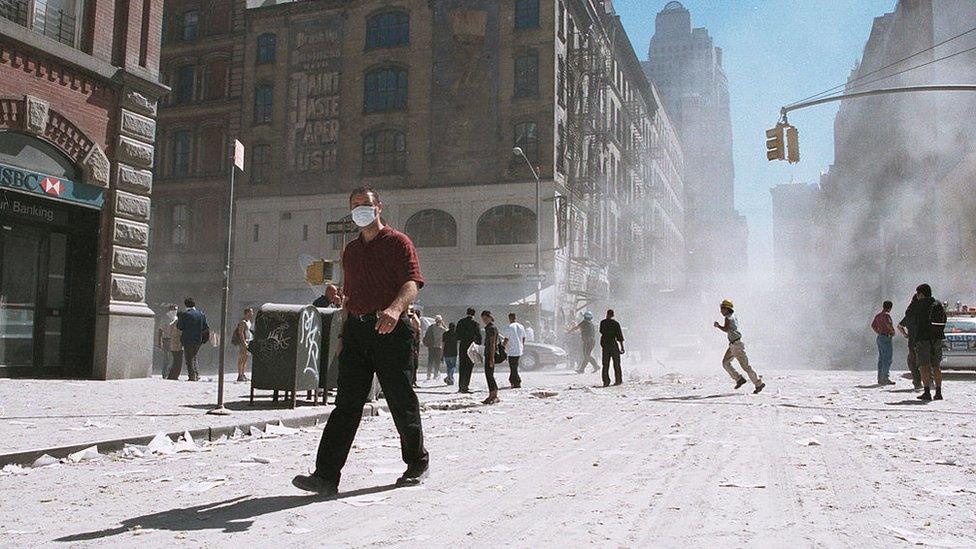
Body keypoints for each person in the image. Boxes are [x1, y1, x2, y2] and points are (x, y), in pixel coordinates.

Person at [292, 186, 428, 496]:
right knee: (346, 405)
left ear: (379, 207)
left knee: (400, 399)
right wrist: (343, 332)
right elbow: (349, 297)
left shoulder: (398, 242)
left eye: (365, 204)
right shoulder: (351, 250)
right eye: (355, 205)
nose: (360, 210)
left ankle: (417, 463)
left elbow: (412, 282)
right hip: (356, 331)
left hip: (392, 330)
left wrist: (395, 309)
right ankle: (325, 476)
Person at [905, 283, 946, 401]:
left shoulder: (918, 304)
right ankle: (938, 392)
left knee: (924, 366)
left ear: (921, 294)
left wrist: (914, 301)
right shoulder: (937, 303)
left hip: (923, 338)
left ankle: (927, 392)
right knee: (936, 366)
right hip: (937, 338)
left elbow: (908, 314)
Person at [713, 299, 765, 394]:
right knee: (725, 363)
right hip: (733, 344)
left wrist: (718, 326)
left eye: (722, 309)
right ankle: (739, 379)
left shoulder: (728, 318)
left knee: (745, 366)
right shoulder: (733, 316)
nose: (721, 311)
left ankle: (758, 383)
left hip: (736, 345)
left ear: (727, 309)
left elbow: (726, 329)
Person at [170, 298, 209, 381]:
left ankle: (192, 376)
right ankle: (196, 374)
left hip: (188, 339)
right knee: (194, 356)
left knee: (189, 358)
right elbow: (205, 327)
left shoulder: (185, 314)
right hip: (198, 340)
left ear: (185, 305)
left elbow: (180, 326)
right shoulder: (201, 314)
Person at [898, 293, 923, 390]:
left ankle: (917, 382)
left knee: (913, 363)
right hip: (924, 341)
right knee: (926, 362)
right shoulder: (924, 312)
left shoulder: (910, 313)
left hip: (912, 342)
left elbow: (900, 326)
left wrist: (905, 334)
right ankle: (929, 382)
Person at [456, 308, 482, 394]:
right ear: (474, 314)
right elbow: (479, 338)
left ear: (466, 313)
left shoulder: (460, 322)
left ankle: (461, 386)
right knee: (469, 367)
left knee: (462, 367)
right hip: (471, 348)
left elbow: (457, 336)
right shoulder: (475, 324)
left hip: (462, 347)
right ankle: (465, 386)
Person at [871, 301, 895, 385]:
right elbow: (888, 324)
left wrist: (878, 332)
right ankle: (885, 377)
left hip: (880, 337)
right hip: (886, 337)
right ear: (890, 308)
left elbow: (873, 325)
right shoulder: (886, 315)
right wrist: (892, 331)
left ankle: (880, 378)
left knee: (881, 358)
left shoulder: (878, 315)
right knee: (887, 358)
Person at [599, 309, 625, 386]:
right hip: (613, 345)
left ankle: (606, 381)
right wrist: (622, 347)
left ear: (607, 314)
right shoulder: (616, 324)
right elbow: (619, 336)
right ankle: (618, 380)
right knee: (616, 364)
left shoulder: (602, 323)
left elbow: (601, 331)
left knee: (605, 364)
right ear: (613, 315)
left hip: (605, 345)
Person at [481, 310, 500, 405]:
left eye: (485, 318)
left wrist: (491, 358)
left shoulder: (491, 328)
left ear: (489, 317)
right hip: (488, 353)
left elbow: (492, 344)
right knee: (489, 375)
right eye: (483, 319)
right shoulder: (489, 328)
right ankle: (492, 394)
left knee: (489, 375)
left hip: (490, 354)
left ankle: (494, 395)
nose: (484, 320)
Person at [503, 313, 526, 389]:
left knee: (513, 367)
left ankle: (516, 382)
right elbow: (523, 338)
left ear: (509, 318)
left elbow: (506, 338)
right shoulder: (521, 326)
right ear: (516, 318)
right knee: (514, 366)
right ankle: (513, 380)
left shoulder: (510, 327)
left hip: (512, 350)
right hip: (519, 350)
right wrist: (522, 346)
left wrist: (503, 346)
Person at [423, 316, 448, 381]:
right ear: (440, 321)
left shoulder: (431, 327)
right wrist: (443, 324)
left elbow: (426, 335)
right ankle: (435, 375)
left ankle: (428, 375)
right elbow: (447, 331)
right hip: (438, 347)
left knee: (430, 361)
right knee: (437, 362)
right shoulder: (441, 329)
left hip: (431, 346)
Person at [234, 307, 254, 382]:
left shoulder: (249, 321)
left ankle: (243, 374)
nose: (251, 314)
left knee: (245, 359)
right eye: (250, 313)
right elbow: (241, 333)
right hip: (244, 342)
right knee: (241, 358)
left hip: (249, 341)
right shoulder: (243, 322)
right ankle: (240, 375)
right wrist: (244, 342)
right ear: (246, 313)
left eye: (252, 313)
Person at [407, 306, 422, 388]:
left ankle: (413, 381)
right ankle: (411, 381)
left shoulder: (415, 320)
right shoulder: (413, 320)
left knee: (414, 364)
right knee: (412, 364)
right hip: (413, 344)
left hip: (415, 344)